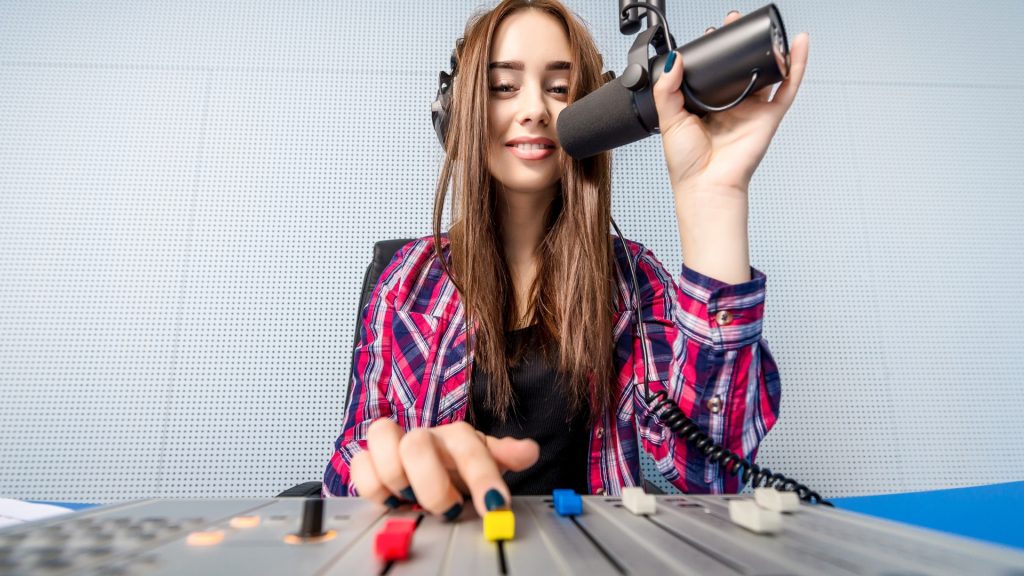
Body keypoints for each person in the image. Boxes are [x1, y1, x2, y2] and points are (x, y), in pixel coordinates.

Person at [323, 0, 809, 522]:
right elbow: (347, 472)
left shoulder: (634, 283)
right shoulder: (405, 283)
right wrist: (391, 470)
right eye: (503, 87)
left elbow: (717, 473)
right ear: (456, 111)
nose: (533, 108)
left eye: (559, 88)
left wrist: (713, 196)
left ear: (597, 117)